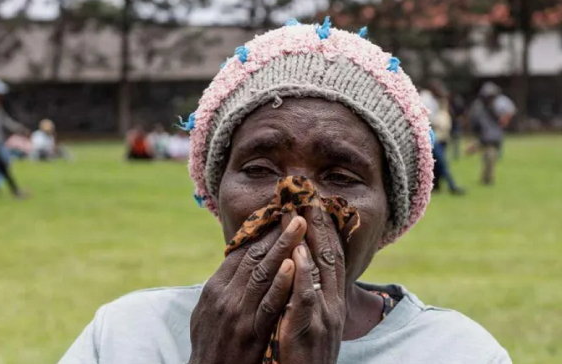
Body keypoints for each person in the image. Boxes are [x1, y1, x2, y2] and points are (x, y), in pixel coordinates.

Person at [59, 19, 511, 364]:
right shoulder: (127, 338)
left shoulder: (456, 353)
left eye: (341, 176)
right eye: (258, 168)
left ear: (391, 215)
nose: (295, 201)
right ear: (217, 191)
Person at [420, 80, 465, 195]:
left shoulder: (434, 100)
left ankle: (436, 186)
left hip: (436, 135)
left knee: (436, 163)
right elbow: (426, 117)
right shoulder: (426, 99)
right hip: (430, 136)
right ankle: (452, 186)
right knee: (441, 162)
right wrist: (438, 123)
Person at [469, 82, 515, 185]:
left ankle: (488, 178)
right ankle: (486, 178)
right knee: (488, 156)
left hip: (493, 137)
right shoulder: (479, 107)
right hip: (485, 136)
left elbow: (503, 117)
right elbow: (476, 122)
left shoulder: (495, 106)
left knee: (490, 157)